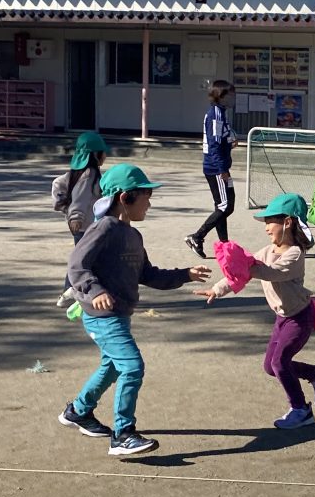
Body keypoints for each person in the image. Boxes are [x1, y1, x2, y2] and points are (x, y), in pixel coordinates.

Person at [60, 164, 211, 456]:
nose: (150, 203)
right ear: (125, 197)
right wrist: (95, 290)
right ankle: (123, 434)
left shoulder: (132, 235)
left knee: (113, 366)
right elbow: (77, 265)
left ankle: (78, 411)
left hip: (119, 314)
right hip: (101, 315)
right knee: (132, 366)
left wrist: (185, 274)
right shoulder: (103, 228)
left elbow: (148, 274)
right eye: (146, 196)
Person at [195, 193, 315, 430]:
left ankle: (301, 410)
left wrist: (246, 263)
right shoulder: (268, 250)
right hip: (282, 317)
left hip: (299, 318)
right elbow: (241, 274)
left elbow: (271, 273)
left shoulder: (295, 254)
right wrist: (218, 289)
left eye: (270, 221)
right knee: (271, 367)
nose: (266, 228)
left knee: (280, 362)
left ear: (288, 222)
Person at [52, 131, 108, 306]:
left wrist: (62, 203)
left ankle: (76, 292)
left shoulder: (78, 173)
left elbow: (58, 183)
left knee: (84, 260)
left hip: (85, 226)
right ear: (95, 155)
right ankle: (70, 293)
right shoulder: (89, 174)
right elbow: (79, 198)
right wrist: (74, 215)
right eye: (103, 152)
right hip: (86, 227)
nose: (105, 156)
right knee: (84, 262)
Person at [186, 80, 238, 259]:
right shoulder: (215, 115)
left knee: (223, 205)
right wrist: (222, 168)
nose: (233, 98)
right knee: (226, 205)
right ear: (220, 96)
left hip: (219, 166)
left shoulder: (221, 113)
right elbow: (214, 144)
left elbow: (221, 139)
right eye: (230, 94)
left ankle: (224, 245)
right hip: (216, 168)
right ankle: (197, 237)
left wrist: (230, 141)